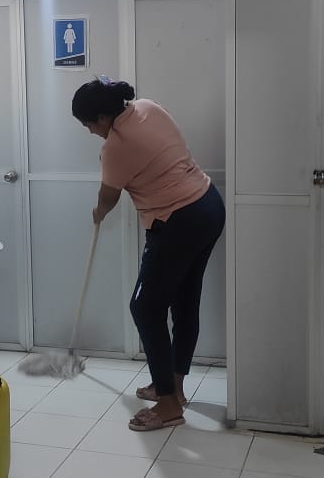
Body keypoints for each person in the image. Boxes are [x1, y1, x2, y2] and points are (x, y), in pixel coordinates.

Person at [71, 76, 225, 432]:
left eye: (88, 124)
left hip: (177, 221)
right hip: (207, 205)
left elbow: (109, 196)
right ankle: (173, 386)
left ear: (102, 117)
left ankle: (168, 406)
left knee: (145, 308)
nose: (90, 132)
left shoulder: (116, 146)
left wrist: (98, 212)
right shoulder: (148, 107)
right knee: (184, 300)